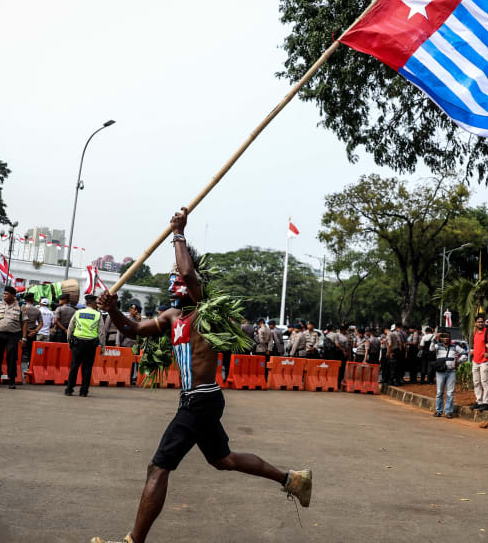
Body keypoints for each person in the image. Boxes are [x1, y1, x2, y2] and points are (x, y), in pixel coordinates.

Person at [92, 207, 312, 543]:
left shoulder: (206, 308)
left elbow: (191, 275)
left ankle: (133, 541)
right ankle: (291, 479)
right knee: (223, 459)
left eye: (178, 276)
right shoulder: (171, 317)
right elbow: (135, 329)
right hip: (200, 401)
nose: (175, 280)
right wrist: (112, 309)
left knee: (158, 467)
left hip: (200, 400)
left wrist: (179, 233)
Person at [0, 286, 25, 389]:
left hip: (13, 335)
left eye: (7, 294)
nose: (4, 296)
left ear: (13, 295)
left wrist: (24, 338)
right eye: (4, 294)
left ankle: (11, 381)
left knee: (11, 358)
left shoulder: (20, 306)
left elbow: (24, 323)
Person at [65, 294, 101, 396]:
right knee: (87, 368)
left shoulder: (78, 313)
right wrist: (102, 346)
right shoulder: (98, 315)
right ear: (93, 303)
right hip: (91, 344)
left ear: (86, 303)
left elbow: (70, 328)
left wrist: (69, 342)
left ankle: (69, 389)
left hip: (77, 344)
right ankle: (84, 391)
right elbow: (102, 332)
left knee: (74, 367)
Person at [429, 331, 466, 418]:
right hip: (440, 372)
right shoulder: (438, 346)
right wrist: (435, 338)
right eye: (444, 337)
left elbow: (464, 353)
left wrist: (459, 361)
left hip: (451, 371)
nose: (446, 339)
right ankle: (438, 411)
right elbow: (431, 349)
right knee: (439, 392)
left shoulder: (454, 347)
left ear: (450, 338)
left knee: (450, 393)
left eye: (447, 337)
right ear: (441, 338)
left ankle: (449, 412)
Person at [470, 316, 488, 411]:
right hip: (475, 360)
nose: (480, 323)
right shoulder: (475, 332)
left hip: (485, 361)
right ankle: (479, 401)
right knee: (476, 382)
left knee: (485, 382)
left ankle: (486, 402)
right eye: (479, 322)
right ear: (475, 323)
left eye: (482, 322)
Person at [21, 293, 41, 363]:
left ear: (25, 300)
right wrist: (34, 331)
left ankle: (18, 366)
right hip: (32, 333)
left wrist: (28, 331)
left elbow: (21, 322)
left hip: (22, 332)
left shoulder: (22, 308)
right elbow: (41, 323)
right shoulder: (37, 310)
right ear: (33, 300)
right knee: (31, 351)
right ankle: (30, 366)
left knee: (20, 350)